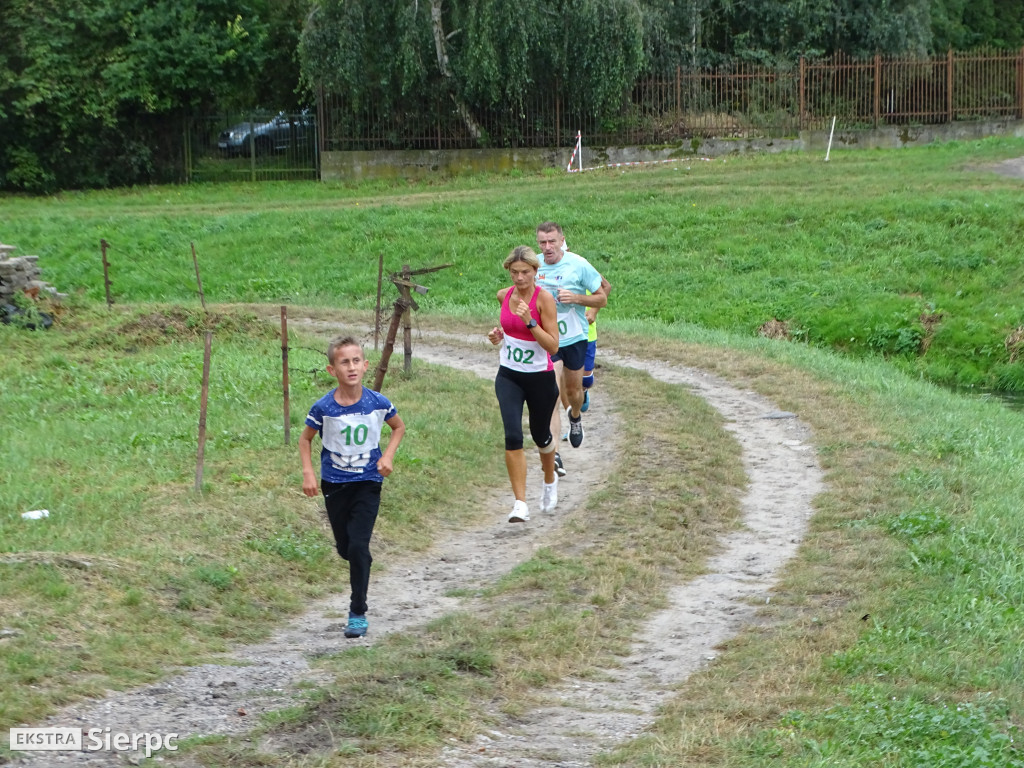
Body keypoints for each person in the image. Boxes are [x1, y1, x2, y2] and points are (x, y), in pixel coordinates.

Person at [299, 335, 406, 638]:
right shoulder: (323, 408)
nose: (351, 367)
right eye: (344, 362)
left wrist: (387, 456)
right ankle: (360, 558)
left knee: (359, 546)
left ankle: (357, 610)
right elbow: (305, 439)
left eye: (356, 361)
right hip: (334, 484)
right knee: (346, 549)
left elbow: (398, 427)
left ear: (365, 365)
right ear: (332, 370)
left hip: (368, 482)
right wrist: (308, 473)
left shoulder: (377, 402)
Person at [487, 245, 561, 523]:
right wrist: (499, 336)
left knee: (541, 435)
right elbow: (507, 330)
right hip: (509, 375)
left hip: (540, 378)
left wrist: (530, 321)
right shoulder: (503, 296)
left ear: (535, 272)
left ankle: (549, 477)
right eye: (514, 272)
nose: (519, 278)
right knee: (512, 435)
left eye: (525, 273)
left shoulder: (544, 301)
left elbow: (553, 345)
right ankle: (520, 503)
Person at [535, 222, 608, 458]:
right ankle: (554, 452)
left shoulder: (578, 264)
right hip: (549, 339)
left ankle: (575, 416)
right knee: (553, 393)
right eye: (542, 242)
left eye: (551, 242)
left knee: (574, 391)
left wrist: (575, 298)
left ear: (561, 240)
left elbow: (601, 298)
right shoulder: (533, 265)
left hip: (575, 338)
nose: (547, 247)